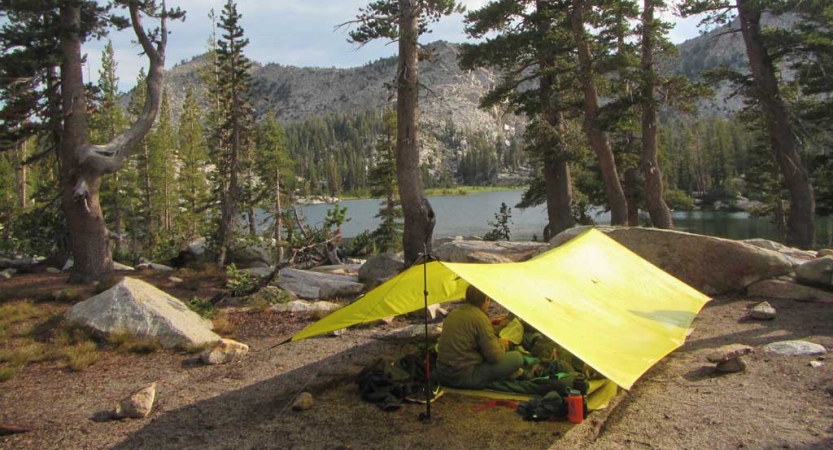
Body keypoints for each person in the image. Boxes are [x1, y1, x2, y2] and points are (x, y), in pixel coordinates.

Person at [436, 285, 524, 389]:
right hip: (464, 376)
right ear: (486, 299)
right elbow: (494, 356)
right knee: (517, 357)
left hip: (442, 373)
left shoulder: (454, 314)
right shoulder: (480, 318)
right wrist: (502, 344)